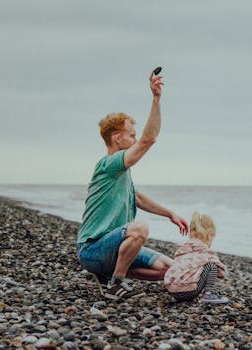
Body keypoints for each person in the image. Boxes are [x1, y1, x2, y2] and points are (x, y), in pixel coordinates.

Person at [77, 69, 189, 301]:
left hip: (112, 248)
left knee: (167, 268)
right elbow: (149, 140)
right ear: (118, 138)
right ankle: (116, 284)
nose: (135, 140)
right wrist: (156, 99)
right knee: (140, 228)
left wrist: (170, 214)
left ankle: (107, 273)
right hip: (92, 249)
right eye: (131, 136)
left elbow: (136, 197)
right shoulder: (110, 164)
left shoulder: (120, 174)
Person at [164, 212, 228, 304]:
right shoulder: (204, 250)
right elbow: (221, 271)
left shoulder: (184, 248)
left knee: (195, 268)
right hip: (188, 292)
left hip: (173, 291)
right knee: (212, 265)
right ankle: (208, 295)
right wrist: (221, 273)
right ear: (209, 236)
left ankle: (187, 294)